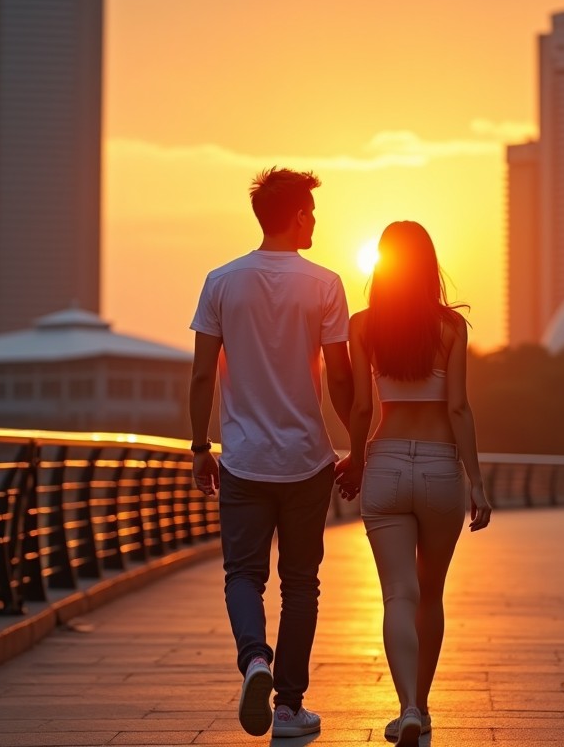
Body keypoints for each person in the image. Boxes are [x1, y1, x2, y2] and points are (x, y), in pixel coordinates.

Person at [188, 167, 354, 739]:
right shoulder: (326, 284)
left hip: (241, 460)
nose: (316, 218)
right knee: (300, 583)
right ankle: (287, 707)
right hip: (308, 460)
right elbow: (341, 379)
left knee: (243, 574)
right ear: (296, 215)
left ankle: (254, 660)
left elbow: (203, 376)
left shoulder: (221, 281)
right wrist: (356, 446)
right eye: (311, 209)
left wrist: (199, 448)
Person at [335, 221, 491, 747]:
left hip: (385, 464)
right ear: (429, 264)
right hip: (440, 469)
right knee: (430, 594)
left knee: (398, 595)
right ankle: (421, 707)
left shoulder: (364, 325)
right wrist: (476, 481)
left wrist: (355, 461)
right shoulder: (451, 328)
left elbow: (360, 407)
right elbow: (460, 408)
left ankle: (403, 707)